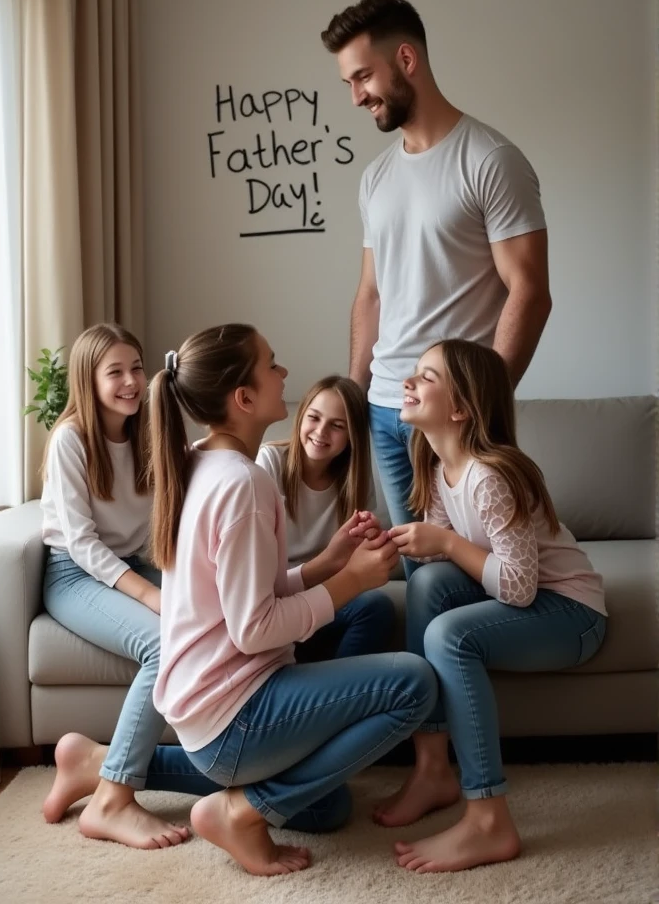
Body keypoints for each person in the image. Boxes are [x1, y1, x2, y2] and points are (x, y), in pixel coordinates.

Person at [48, 324, 438, 877]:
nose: (284, 373)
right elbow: (253, 629)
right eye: (272, 364)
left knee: (327, 807)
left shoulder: (201, 460)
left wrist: (325, 566)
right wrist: (350, 584)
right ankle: (244, 809)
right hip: (235, 713)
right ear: (245, 398)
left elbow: (241, 592)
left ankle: (99, 764)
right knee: (414, 682)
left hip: (207, 712)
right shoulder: (243, 484)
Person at [321, 0, 552, 576]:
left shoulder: (491, 159)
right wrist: (353, 395)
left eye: (363, 76)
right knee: (423, 577)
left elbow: (530, 290)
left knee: (470, 572)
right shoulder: (375, 178)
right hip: (381, 409)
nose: (356, 96)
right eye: (348, 82)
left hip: (452, 415)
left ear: (406, 59)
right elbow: (371, 294)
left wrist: (481, 406)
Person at [373, 338, 606, 873]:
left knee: (448, 636)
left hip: (572, 614)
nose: (408, 382)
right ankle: (433, 768)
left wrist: (447, 543)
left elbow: (521, 586)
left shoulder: (491, 474)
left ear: (460, 408)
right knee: (426, 587)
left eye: (426, 377)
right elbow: (447, 568)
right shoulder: (436, 469)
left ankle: (488, 818)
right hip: (532, 601)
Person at [41, 323, 189, 850]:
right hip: (73, 574)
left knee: (201, 623)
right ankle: (114, 799)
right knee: (162, 641)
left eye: (137, 368)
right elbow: (81, 544)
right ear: (89, 379)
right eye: (116, 372)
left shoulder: (149, 429)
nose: (131, 381)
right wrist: (151, 595)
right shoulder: (70, 440)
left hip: (129, 563)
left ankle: (88, 761)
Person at [256, 374, 395, 660]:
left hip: (321, 591)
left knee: (376, 608)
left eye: (337, 426)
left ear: (351, 435)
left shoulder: (354, 480)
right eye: (314, 418)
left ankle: (340, 690)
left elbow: (351, 562)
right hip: (277, 594)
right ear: (301, 417)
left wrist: (369, 541)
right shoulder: (270, 461)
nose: (320, 432)